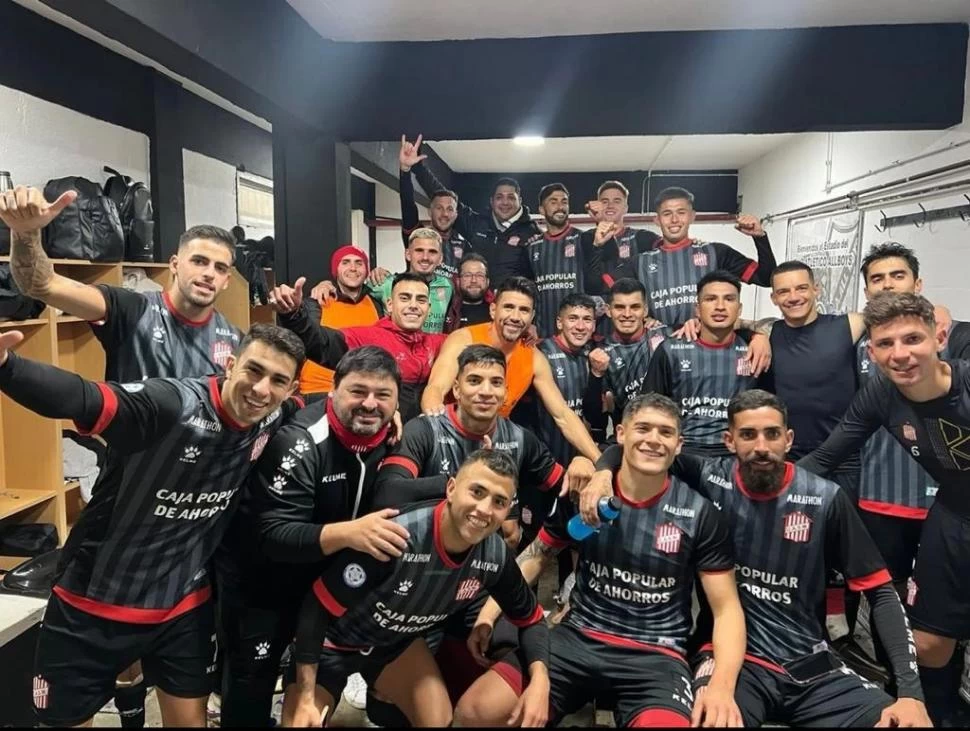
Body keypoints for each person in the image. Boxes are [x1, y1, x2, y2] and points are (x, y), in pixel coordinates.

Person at [0, 184, 244, 726]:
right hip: (126, 495)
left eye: (219, 267)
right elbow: (39, 282)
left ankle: (133, 703)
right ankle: (117, 697)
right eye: (198, 261)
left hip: (190, 515)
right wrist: (24, 234)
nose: (208, 273)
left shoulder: (234, 340)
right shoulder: (133, 308)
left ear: (228, 279)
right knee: (112, 595)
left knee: (158, 620)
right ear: (175, 265)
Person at [0, 323, 304, 727]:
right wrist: (6, 367)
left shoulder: (274, 415)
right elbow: (83, 396)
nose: (262, 390)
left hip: (181, 605)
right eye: (254, 370)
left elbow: (321, 405)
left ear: (291, 387)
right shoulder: (171, 404)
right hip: (92, 603)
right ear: (230, 365)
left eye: (278, 381)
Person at [583, 390, 931, 728]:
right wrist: (601, 471)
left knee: (898, 721)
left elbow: (881, 593)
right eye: (748, 435)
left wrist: (910, 693)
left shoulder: (825, 499)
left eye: (772, 434)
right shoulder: (710, 477)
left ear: (789, 439)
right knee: (709, 719)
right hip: (732, 662)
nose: (761, 447)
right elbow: (629, 447)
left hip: (808, 662)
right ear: (729, 440)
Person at [456, 394, 745, 728]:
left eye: (665, 433)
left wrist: (722, 685)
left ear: (679, 444)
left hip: (656, 655)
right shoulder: (587, 498)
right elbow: (536, 557)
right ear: (621, 434)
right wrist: (488, 616)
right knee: (475, 711)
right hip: (577, 638)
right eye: (643, 429)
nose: (653, 439)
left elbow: (726, 609)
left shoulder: (700, 513)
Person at [796, 291, 970, 726]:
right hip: (952, 515)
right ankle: (938, 715)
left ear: (939, 337)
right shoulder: (881, 393)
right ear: (871, 352)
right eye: (886, 344)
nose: (901, 355)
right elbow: (824, 458)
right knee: (929, 643)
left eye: (913, 339)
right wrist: (748, 490)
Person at [283, 450, 551, 728]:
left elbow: (531, 619)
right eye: (477, 492)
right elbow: (318, 605)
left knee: (439, 722)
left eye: (499, 501)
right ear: (451, 488)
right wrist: (304, 696)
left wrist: (541, 681)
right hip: (335, 642)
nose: (484, 509)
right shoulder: (396, 537)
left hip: (393, 644)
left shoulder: (494, 556)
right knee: (300, 724)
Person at [218, 347, 403, 727]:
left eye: (383, 395)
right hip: (263, 585)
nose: (370, 404)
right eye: (358, 391)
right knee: (250, 686)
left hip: (327, 586)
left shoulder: (392, 432)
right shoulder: (299, 440)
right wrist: (351, 533)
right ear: (334, 391)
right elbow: (273, 535)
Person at [375, 344, 580, 550]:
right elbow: (387, 493)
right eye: (474, 381)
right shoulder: (425, 430)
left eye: (496, 382)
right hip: (426, 557)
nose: (486, 391)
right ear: (456, 389)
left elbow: (566, 488)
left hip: (489, 566)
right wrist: (464, 479)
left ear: (505, 393)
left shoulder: (519, 438)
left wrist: (584, 465)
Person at [422, 276, 601, 461]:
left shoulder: (534, 358)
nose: (515, 317)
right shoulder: (464, 339)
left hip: (495, 448)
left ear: (531, 317)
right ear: (493, 310)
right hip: (450, 439)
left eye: (523, 310)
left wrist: (601, 463)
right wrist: (436, 433)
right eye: (509, 307)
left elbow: (563, 415)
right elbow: (435, 390)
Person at [596, 186, 777, 330]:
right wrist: (641, 317)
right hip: (660, 352)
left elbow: (766, 278)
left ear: (692, 216)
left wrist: (760, 237)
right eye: (667, 214)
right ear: (657, 220)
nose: (674, 219)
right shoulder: (640, 262)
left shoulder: (716, 253)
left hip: (707, 349)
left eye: (681, 212)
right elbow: (599, 287)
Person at [271, 272, 446, 421]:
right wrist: (294, 314)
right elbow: (321, 342)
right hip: (376, 437)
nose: (413, 305)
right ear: (390, 305)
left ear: (428, 308)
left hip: (422, 443)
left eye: (421, 300)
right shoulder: (366, 337)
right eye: (405, 298)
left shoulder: (439, 343)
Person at [642, 271, 757, 456]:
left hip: (736, 454)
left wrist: (759, 336)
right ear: (697, 308)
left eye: (729, 299)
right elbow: (648, 407)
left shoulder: (755, 352)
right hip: (682, 452)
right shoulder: (670, 350)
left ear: (740, 308)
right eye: (711, 299)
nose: (720, 306)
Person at [400, 134, 541, 284]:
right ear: (492, 201)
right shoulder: (476, 224)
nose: (505, 202)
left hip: (509, 304)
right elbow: (433, 197)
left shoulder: (533, 234)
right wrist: (413, 169)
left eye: (511, 197)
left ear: (520, 201)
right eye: (499, 197)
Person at [312, 228, 453, 335]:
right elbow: (352, 287)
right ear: (408, 254)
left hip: (433, 361)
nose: (425, 257)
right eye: (419, 250)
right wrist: (326, 285)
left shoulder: (448, 286)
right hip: (397, 360)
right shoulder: (384, 284)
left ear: (440, 258)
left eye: (432, 252)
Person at [299, 246, 383, 396]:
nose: (353, 268)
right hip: (318, 389)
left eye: (359, 263)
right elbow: (304, 340)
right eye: (345, 262)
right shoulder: (318, 301)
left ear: (366, 271)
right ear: (335, 270)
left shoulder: (376, 304)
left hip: (362, 392)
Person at [537, 294, 610, 462]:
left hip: (583, 458)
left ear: (593, 325)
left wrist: (596, 375)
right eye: (573, 318)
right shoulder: (540, 352)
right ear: (559, 322)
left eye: (587, 319)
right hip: (545, 462)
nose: (580, 326)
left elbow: (597, 416)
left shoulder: (596, 354)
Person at [398, 137, 468, 279]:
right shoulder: (417, 234)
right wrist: (405, 171)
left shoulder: (465, 242)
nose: (444, 214)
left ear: (455, 214)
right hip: (419, 299)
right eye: (439, 208)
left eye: (449, 209)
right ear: (430, 211)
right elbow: (407, 204)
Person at [580, 180, 661, 297]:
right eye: (604, 201)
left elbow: (669, 247)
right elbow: (591, 283)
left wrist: (692, 243)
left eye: (617, 201)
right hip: (600, 311)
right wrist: (601, 222)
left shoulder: (642, 237)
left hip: (634, 310)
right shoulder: (586, 238)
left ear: (626, 208)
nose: (610, 205)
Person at [526, 183, 585, 336]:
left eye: (564, 202)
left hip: (578, 332)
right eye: (553, 202)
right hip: (543, 334)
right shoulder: (532, 246)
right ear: (541, 209)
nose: (560, 206)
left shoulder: (583, 239)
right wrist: (531, 324)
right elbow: (528, 289)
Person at [443, 252, 492, 332]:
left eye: (479, 275)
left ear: (487, 281)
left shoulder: (496, 312)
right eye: (467, 275)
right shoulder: (446, 308)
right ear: (458, 281)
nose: (473, 280)